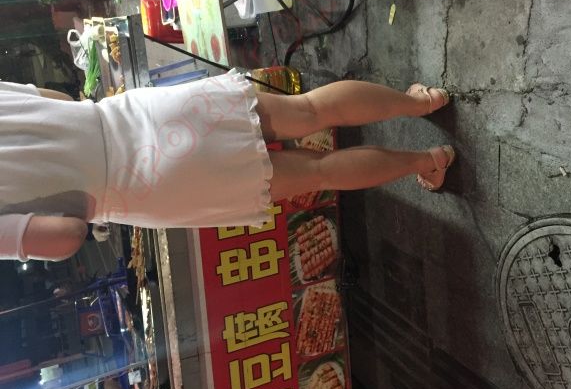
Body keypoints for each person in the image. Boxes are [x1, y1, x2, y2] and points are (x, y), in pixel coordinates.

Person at [0, 74, 455, 262]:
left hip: (148, 184)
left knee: (321, 172)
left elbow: (66, 236)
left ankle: (429, 161)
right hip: (142, 114)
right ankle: (422, 102)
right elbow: (56, 100)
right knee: (310, 108)